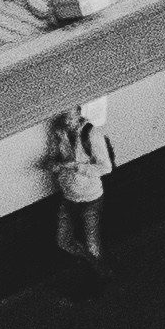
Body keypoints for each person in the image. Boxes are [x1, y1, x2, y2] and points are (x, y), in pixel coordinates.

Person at [47, 99, 117, 268]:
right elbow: (55, 157)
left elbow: (106, 167)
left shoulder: (91, 134)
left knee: (92, 243)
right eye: (64, 117)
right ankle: (91, 264)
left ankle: (98, 272)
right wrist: (53, 165)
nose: (66, 121)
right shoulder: (59, 132)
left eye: (69, 116)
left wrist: (77, 167)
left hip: (91, 197)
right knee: (64, 241)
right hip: (68, 195)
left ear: (78, 113)